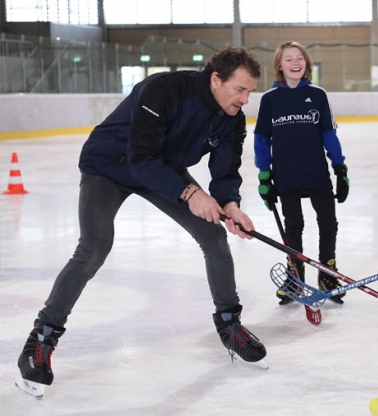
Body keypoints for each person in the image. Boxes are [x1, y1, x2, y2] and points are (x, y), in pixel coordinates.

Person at [15, 46, 269, 398]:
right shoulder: (163, 90)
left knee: (213, 237)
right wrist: (191, 194)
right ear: (215, 80)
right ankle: (40, 341)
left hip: (163, 169)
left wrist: (231, 204)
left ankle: (230, 326)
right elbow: (141, 159)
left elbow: (224, 170)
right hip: (110, 166)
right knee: (94, 247)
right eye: (240, 89)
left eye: (250, 92)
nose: (245, 99)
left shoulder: (231, 118)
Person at [253, 41, 349, 305]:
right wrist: (264, 175)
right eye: (288, 59)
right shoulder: (270, 100)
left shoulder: (318, 95)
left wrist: (340, 168)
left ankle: (328, 273)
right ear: (279, 66)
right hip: (286, 175)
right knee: (293, 227)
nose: (295, 63)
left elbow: (329, 135)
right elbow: (261, 139)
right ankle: (295, 275)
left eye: (300, 58)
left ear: (306, 63)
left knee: (328, 223)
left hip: (316, 172)